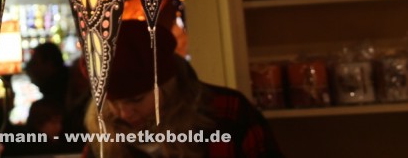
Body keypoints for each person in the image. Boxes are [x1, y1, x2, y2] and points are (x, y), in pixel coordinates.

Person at [84, 21, 283, 158]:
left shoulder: (228, 112)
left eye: (136, 100)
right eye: (112, 102)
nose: (124, 113)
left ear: (168, 85)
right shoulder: (105, 133)